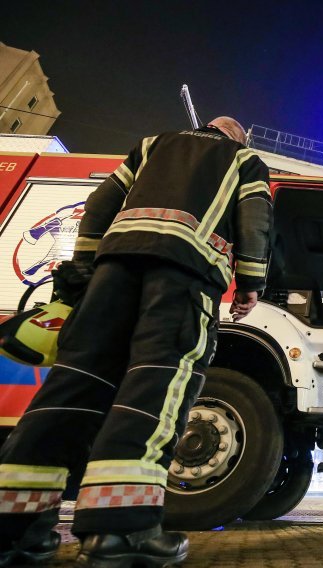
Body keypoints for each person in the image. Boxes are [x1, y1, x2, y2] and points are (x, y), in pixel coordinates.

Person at [0, 117, 272, 568]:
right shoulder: (244, 160)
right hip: (183, 276)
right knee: (155, 385)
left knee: (73, 387)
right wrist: (250, 283)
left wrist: (85, 268)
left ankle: (15, 526)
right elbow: (256, 220)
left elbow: (101, 202)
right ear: (236, 137)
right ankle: (121, 531)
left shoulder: (150, 145)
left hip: (111, 274)